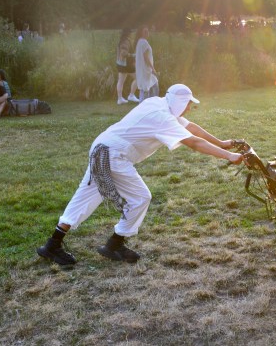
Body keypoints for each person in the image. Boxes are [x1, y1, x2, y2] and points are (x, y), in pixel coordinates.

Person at [36, 84, 244, 265]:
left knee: (85, 196)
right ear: (180, 102)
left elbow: (191, 128)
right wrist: (229, 156)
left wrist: (222, 143)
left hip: (100, 147)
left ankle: (52, 245)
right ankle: (115, 244)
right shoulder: (162, 117)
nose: (190, 108)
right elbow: (194, 142)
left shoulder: (157, 103)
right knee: (141, 198)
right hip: (113, 155)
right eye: (189, 103)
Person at [115, 29, 139, 104]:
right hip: (126, 65)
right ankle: (131, 95)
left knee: (121, 81)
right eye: (131, 33)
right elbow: (123, 53)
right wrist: (133, 55)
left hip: (120, 64)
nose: (132, 34)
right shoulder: (125, 41)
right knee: (138, 78)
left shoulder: (122, 40)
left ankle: (120, 99)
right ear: (128, 34)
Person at [135, 26, 158, 102]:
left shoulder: (140, 41)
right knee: (145, 88)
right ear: (141, 33)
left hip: (144, 69)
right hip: (145, 70)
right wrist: (153, 68)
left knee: (153, 83)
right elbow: (146, 58)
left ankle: (151, 102)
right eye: (145, 31)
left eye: (147, 31)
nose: (147, 33)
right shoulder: (143, 42)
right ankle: (144, 105)